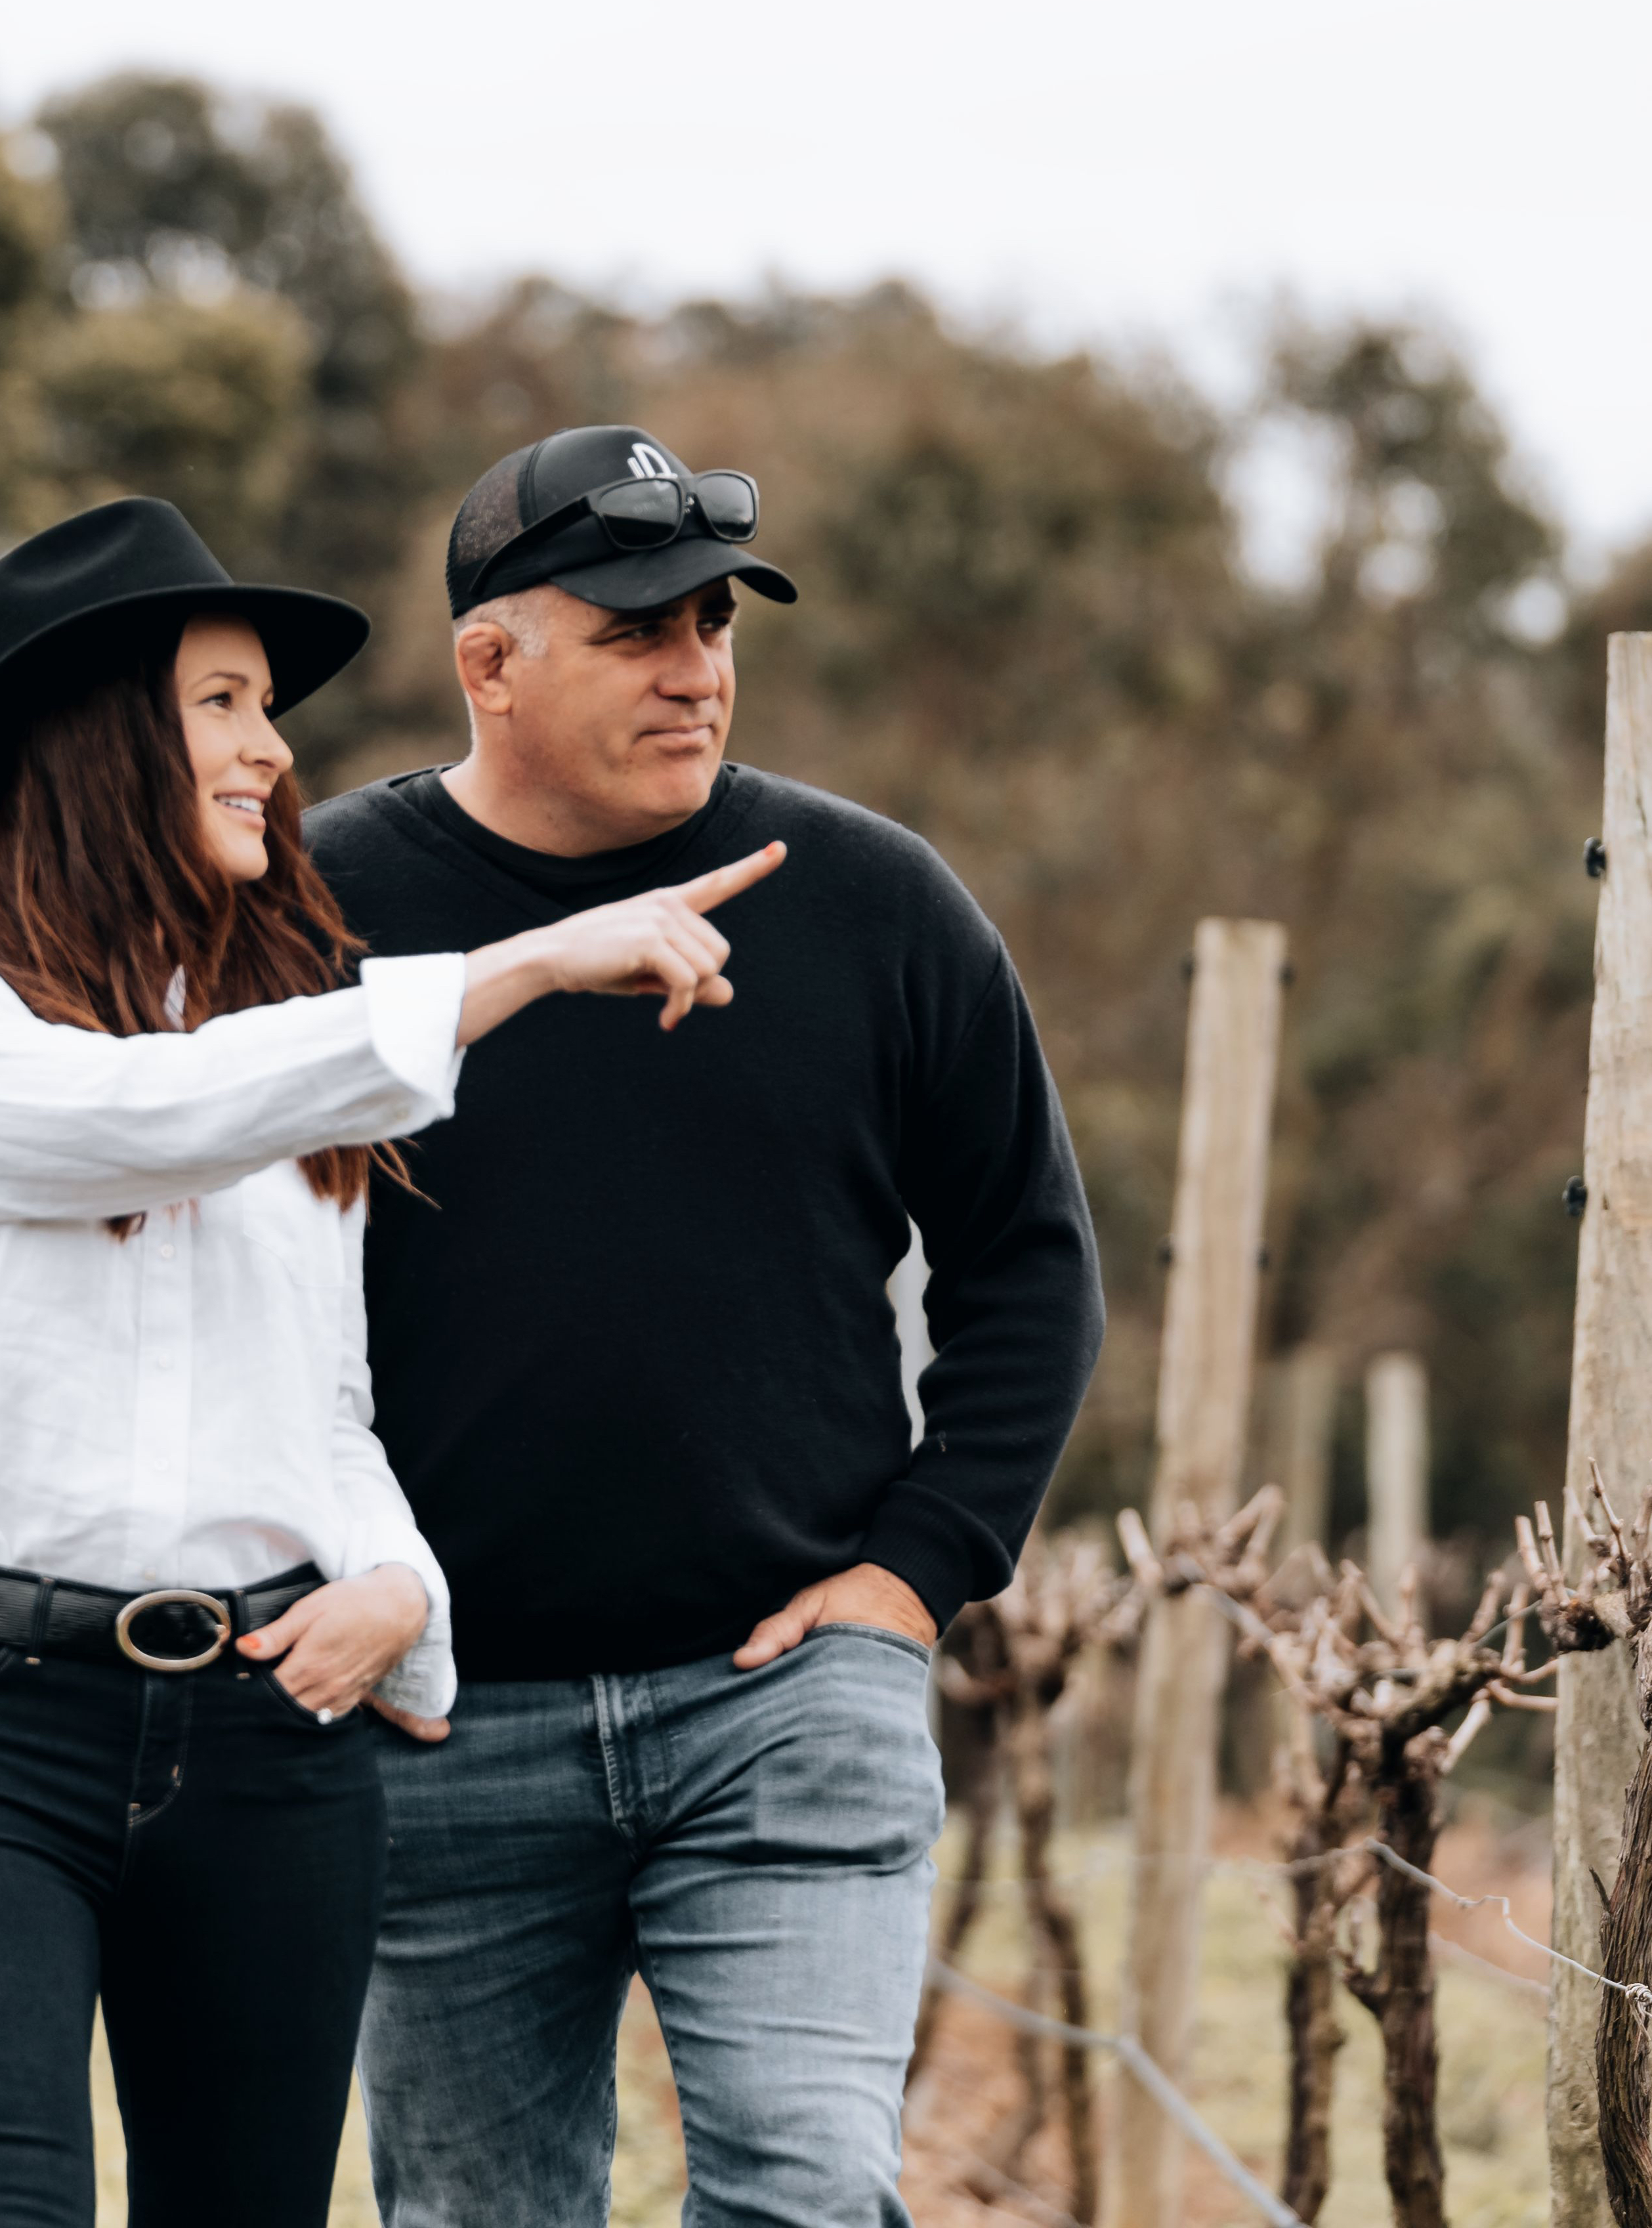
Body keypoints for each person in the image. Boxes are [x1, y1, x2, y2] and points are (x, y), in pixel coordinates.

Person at [0, 494, 786, 2228]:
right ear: (94, 741)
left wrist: (397, 1578)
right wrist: (522, 965)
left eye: (268, 709)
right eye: (226, 703)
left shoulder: (291, 1050)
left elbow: (321, 1403)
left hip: (271, 1747)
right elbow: (126, 1124)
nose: (272, 749)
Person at [305, 425, 1107, 2228]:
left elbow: (1030, 1264)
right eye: (638, 629)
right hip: (440, 1725)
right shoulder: (320, 914)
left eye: (719, 624)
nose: (699, 670)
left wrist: (912, 1577)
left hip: (786, 1706)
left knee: (812, 2199)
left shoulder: (880, 908)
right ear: (488, 664)